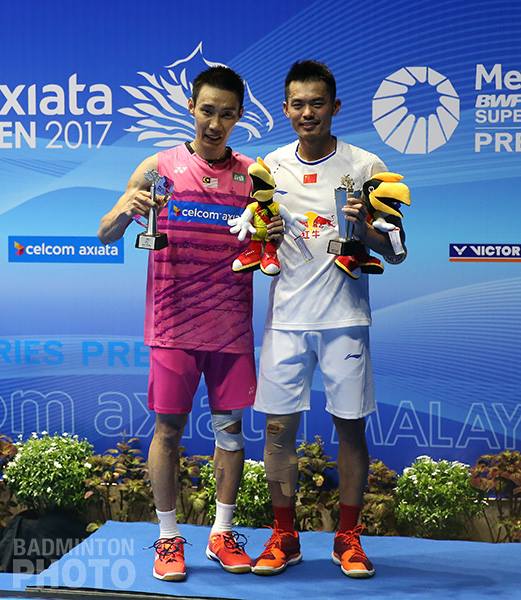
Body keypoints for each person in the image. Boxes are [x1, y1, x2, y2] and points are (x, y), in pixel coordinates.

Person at [98, 66, 282, 581]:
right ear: (191, 109)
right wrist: (124, 206)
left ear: (240, 117)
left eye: (227, 114)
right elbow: (107, 233)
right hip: (172, 326)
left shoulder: (254, 175)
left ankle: (222, 534)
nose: (215, 123)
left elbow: (272, 241)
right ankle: (167, 539)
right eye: (207, 111)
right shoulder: (158, 167)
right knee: (169, 430)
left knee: (230, 430)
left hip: (230, 330)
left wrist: (278, 230)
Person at [251, 60, 407, 578]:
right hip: (286, 320)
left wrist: (367, 232)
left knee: (349, 429)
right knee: (277, 430)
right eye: (298, 104)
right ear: (285, 109)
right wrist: (262, 236)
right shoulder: (270, 165)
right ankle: (284, 534)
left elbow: (398, 251)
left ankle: (348, 537)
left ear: (335, 107)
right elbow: (254, 235)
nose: (307, 112)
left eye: (317, 103)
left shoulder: (365, 165)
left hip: (345, 319)